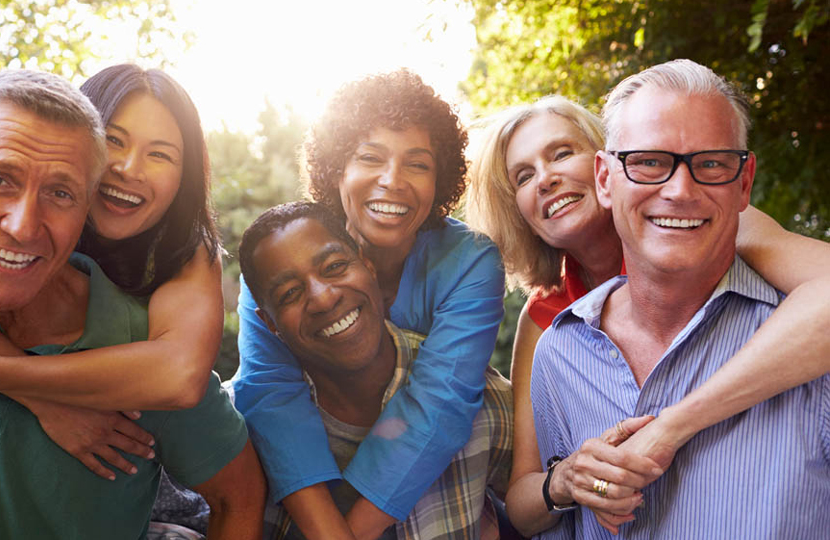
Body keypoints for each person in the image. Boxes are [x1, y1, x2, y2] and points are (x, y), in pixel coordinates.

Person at [0, 69, 264, 538]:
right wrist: (41, 400)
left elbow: (183, 385)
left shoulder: (178, 271)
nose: (129, 168)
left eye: (161, 154)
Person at [464, 82, 830, 534]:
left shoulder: (700, 222)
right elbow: (525, 498)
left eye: (560, 154)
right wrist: (573, 480)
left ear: (610, 169)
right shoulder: (548, 324)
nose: (545, 178)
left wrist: (671, 428)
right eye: (523, 176)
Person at [231, 70, 506, 538]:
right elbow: (271, 399)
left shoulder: (469, 261)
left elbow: (439, 405)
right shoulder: (277, 263)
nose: (392, 180)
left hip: (431, 477)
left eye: (417, 164)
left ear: (439, 180)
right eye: (370, 158)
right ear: (336, 168)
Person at [237, 201, 513, 539]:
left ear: (368, 265)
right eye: (290, 293)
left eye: (335, 266)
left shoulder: (486, 406)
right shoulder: (238, 435)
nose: (323, 298)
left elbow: (538, 507)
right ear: (269, 324)